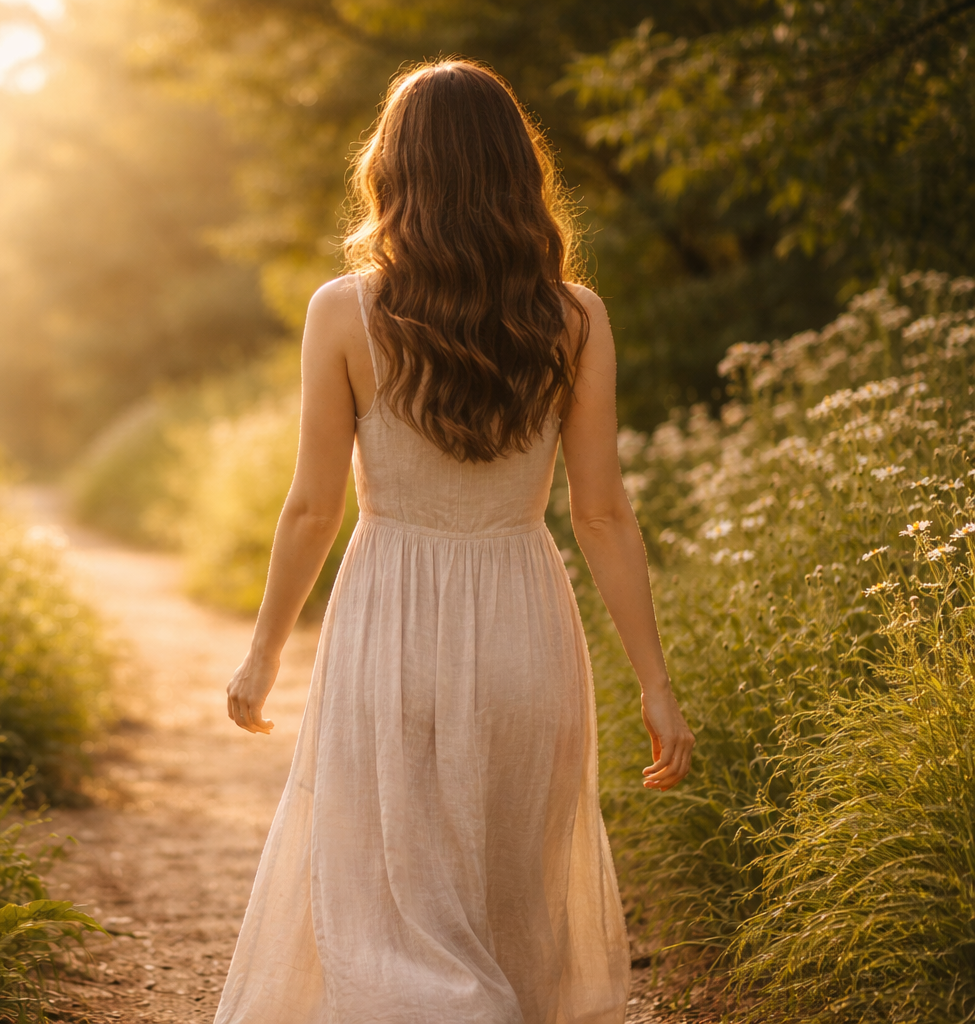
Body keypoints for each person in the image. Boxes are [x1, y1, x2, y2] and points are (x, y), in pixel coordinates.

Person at [213, 59, 694, 1024]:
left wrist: (263, 654)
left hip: (389, 624)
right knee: (511, 906)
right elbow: (602, 513)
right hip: (524, 625)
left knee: (388, 907)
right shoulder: (575, 318)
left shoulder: (343, 311)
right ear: (519, 172)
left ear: (394, 169)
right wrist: (655, 682)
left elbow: (312, 509)